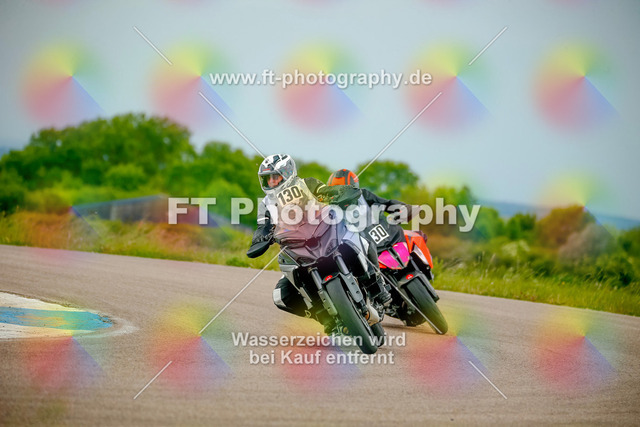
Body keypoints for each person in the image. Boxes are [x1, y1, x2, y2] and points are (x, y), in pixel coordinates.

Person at [246, 155, 390, 332]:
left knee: (363, 240)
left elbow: (327, 191)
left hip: (324, 232)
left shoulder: (306, 183)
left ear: (288, 173)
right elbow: (263, 226)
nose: (272, 181)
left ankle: (377, 286)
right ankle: (324, 317)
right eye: (268, 178)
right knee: (281, 296)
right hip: (294, 247)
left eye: (275, 176)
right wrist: (260, 239)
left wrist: (341, 192)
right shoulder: (265, 204)